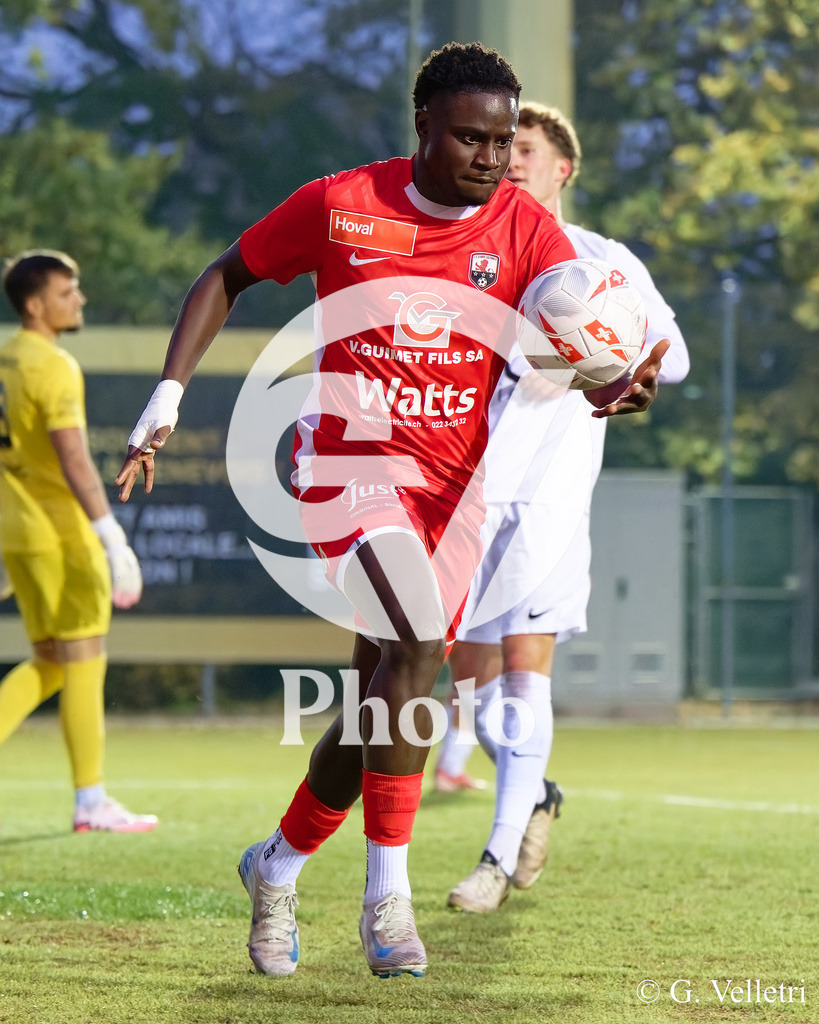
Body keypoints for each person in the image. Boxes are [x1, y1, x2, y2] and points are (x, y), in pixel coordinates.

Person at [115, 44, 666, 979]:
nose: (490, 157)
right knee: (417, 650)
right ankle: (388, 902)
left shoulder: (526, 227)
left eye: (502, 140)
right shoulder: (340, 204)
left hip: (455, 492)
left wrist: (608, 381)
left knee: (388, 701)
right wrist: (167, 395)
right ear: (422, 126)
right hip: (346, 467)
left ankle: (278, 864)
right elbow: (226, 275)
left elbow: (559, 348)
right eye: (470, 137)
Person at [437, 102, 690, 914]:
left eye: (528, 147)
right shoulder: (461, 247)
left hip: (547, 501)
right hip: (461, 496)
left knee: (523, 671)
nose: (510, 158)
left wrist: (605, 359)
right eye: (500, 145)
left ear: (561, 168)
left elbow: (672, 359)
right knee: (466, 692)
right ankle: (536, 795)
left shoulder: (598, 259)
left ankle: (495, 854)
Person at [0, 250, 156, 833]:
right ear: (35, 304)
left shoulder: (5, 359)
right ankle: (91, 800)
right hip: (63, 536)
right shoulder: (53, 365)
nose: (79, 300)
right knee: (85, 661)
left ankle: (91, 798)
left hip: (17, 532)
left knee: (48, 661)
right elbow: (74, 460)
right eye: (68, 292)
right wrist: (112, 537)